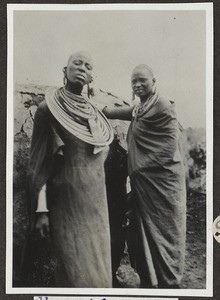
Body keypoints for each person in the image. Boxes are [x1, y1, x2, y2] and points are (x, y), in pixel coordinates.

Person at [27, 51, 114, 287]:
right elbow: (39, 164)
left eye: (88, 65)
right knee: (74, 273)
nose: (82, 68)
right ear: (64, 71)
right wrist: (41, 211)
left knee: (100, 271)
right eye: (76, 63)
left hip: (97, 206)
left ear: (92, 78)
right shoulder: (48, 110)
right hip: (66, 204)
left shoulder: (95, 114)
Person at [103, 64, 186, 288]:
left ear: (153, 81)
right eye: (133, 82)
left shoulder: (163, 106)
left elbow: (168, 151)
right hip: (143, 185)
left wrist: (138, 167)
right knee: (141, 231)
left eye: (142, 80)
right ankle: (150, 280)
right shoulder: (140, 108)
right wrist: (99, 108)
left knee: (166, 232)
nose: (138, 85)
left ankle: (169, 281)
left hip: (163, 185)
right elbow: (119, 112)